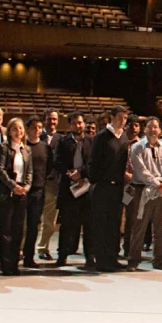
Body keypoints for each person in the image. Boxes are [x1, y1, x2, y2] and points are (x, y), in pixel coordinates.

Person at [127, 117, 162, 272]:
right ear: (145, 129)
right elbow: (141, 171)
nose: (153, 130)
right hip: (143, 190)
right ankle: (133, 260)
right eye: (150, 127)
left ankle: (159, 259)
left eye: (156, 127)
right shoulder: (137, 147)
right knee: (139, 227)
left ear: (160, 130)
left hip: (161, 191)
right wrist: (156, 183)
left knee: (160, 227)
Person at [88, 105, 130, 272]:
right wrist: (96, 182)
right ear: (112, 117)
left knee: (114, 225)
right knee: (101, 225)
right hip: (103, 187)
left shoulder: (124, 138)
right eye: (119, 117)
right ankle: (101, 260)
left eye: (125, 118)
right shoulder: (102, 137)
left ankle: (112, 258)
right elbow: (92, 162)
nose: (122, 120)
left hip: (118, 188)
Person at [0, 118, 32, 276]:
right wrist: (12, 186)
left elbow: (29, 172)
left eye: (21, 128)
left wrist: (26, 187)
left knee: (18, 230)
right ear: (9, 131)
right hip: (7, 193)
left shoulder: (26, 149)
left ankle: (15, 264)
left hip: (21, 193)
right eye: (15, 129)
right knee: (5, 230)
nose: (19, 132)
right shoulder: (3, 148)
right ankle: (6, 265)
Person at [54, 111, 94, 268]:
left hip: (86, 188)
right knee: (67, 225)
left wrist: (82, 173)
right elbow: (57, 161)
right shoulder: (62, 142)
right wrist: (69, 173)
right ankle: (62, 255)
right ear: (69, 125)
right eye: (75, 123)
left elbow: (94, 162)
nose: (78, 125)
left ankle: (90, 257)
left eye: (80, 122)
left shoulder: (91, 141)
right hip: (68, 189)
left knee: (89, 225)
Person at [23, 116, 52, 268]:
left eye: (39, 128)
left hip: (38, 191)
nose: (36, 130)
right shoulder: (22, 146)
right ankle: (15, 255)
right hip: (21, 190)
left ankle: (29, 257)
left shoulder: (45, 147)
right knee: (19, 225)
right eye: (33, 127)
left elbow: (49, 167)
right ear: (27, 129)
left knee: (34, 225)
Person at [37, 108, 60, 261]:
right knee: (30, 219)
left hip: (52, 184)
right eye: (49, 119)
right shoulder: (37, 136)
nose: (52, 122)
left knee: (49, 221)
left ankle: (42, 248)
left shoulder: (61, 139)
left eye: (54, 119)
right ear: (44, 119)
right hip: (36, 183)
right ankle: (22, 248)